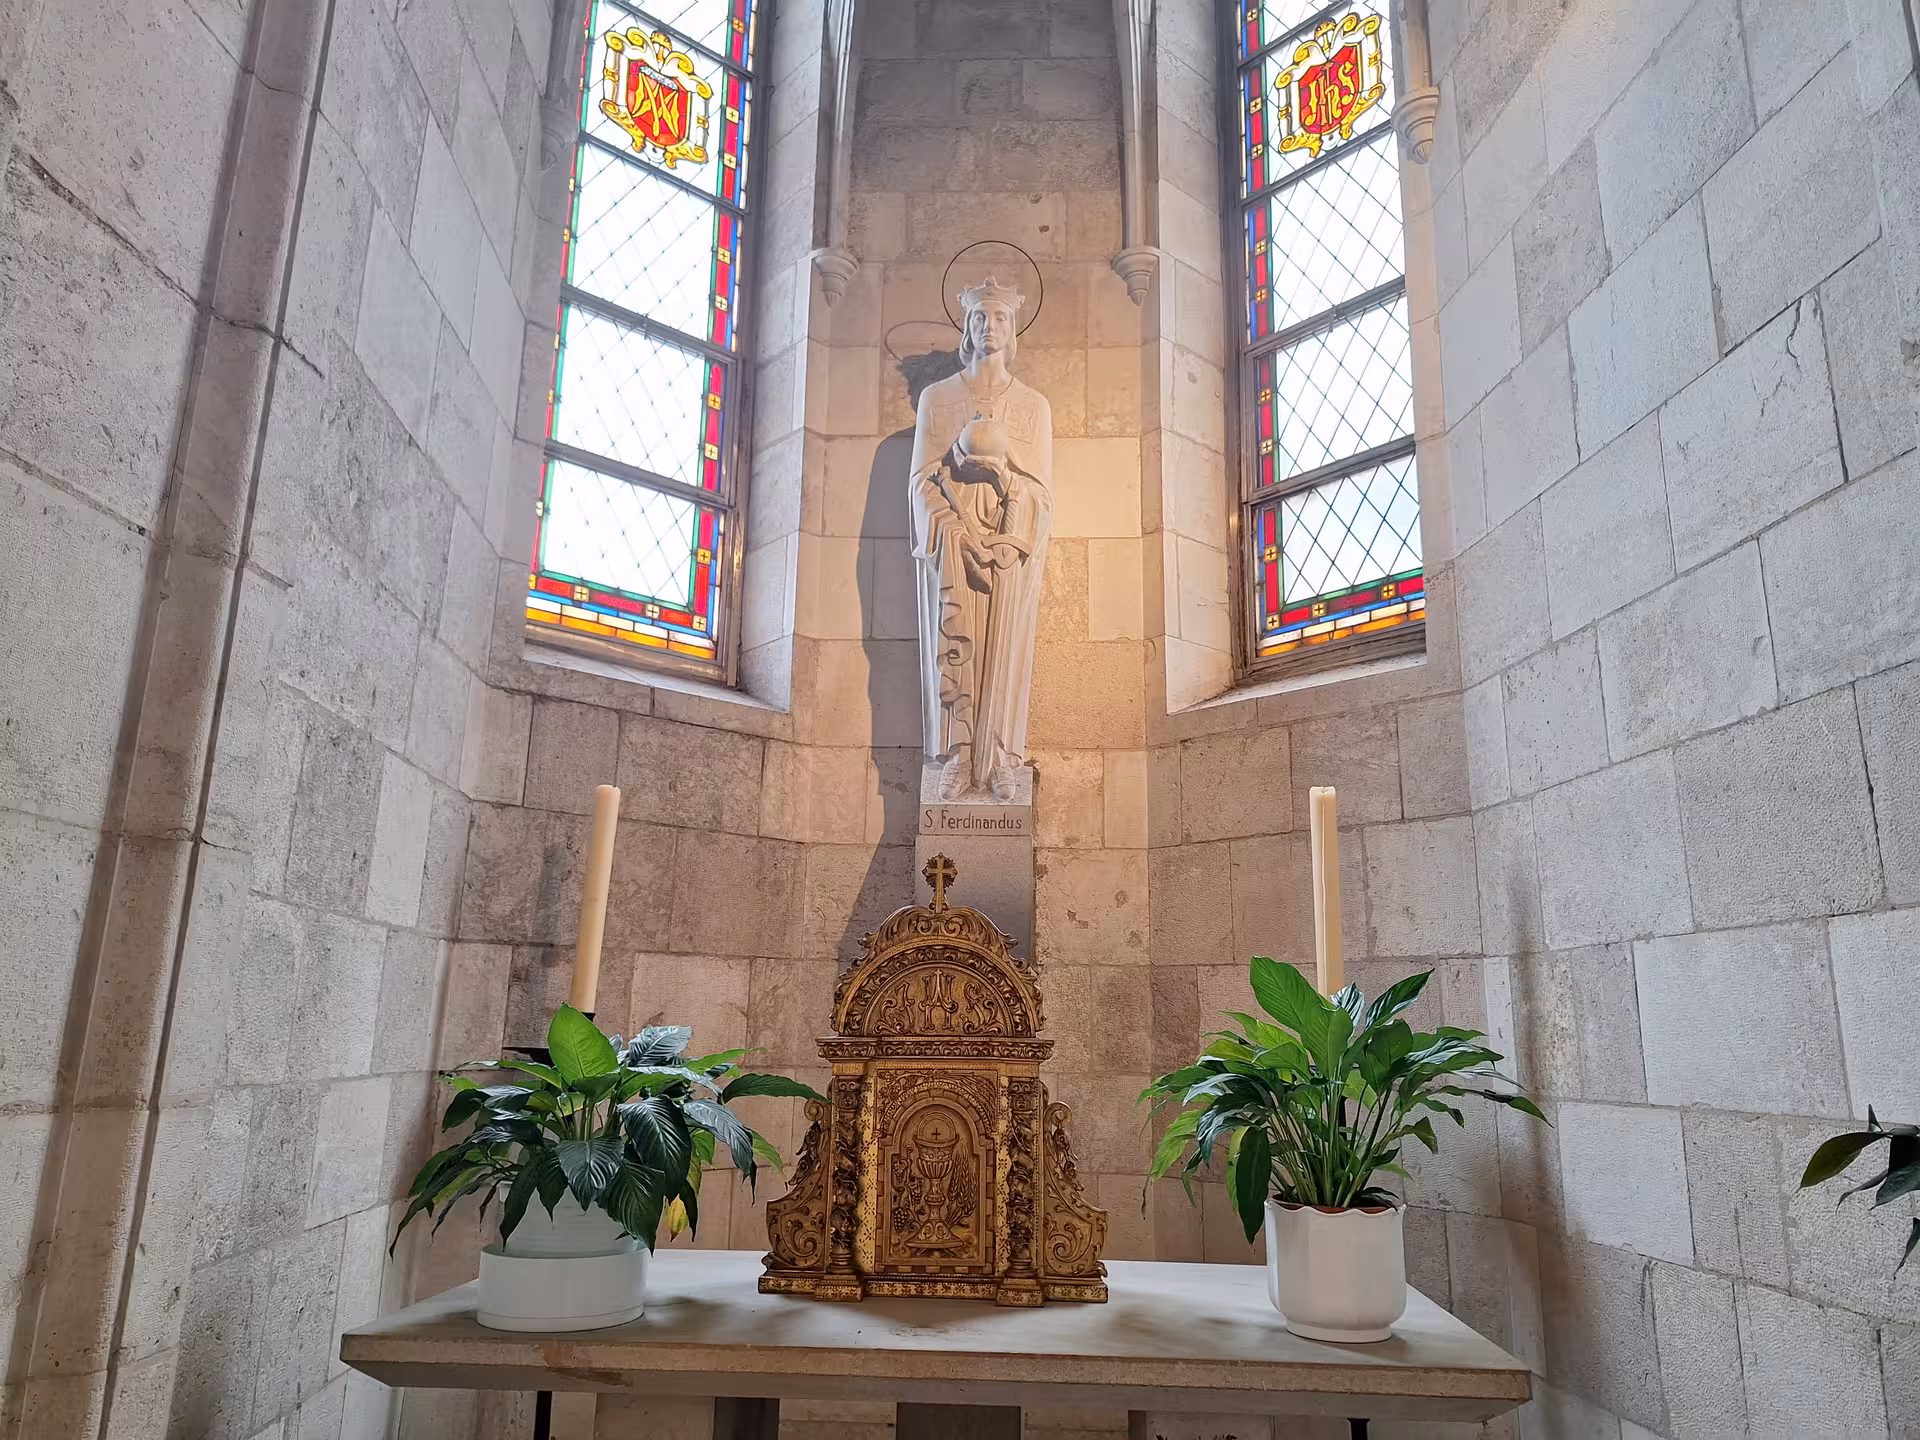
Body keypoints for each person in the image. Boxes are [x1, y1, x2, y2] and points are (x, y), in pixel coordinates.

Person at [908, 279, 1054, 802]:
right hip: (953, 546)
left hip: (1007, 552)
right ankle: (956, 754)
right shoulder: (938, 399)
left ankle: (999, 759)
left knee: (1004, 651)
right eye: (979, 318)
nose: (988, 327)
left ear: (1012, 331)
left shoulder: (1034, 407)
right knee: (956, 644)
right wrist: (955, 531)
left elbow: (1041, 491)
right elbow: (921, 481)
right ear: (966, 328)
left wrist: (1005, 485)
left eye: (999, 319)